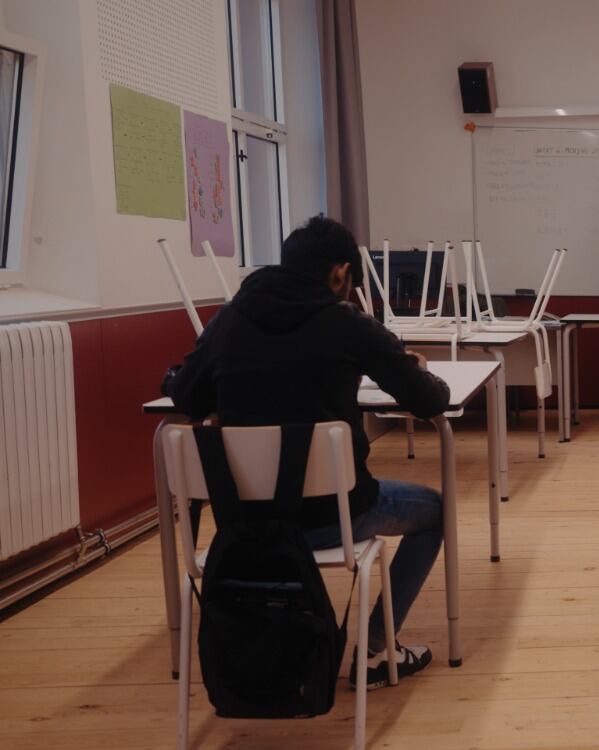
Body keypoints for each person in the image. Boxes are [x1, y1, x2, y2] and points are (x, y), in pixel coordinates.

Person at [168, 215, 449, 689]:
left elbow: (186, 396)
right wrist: (414, 366)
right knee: (437, 511)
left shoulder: (230, 319)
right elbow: (428, 401)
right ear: (340, 273)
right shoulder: (348, 324)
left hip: (241, 524)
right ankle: (379, 649)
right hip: (332, 517)